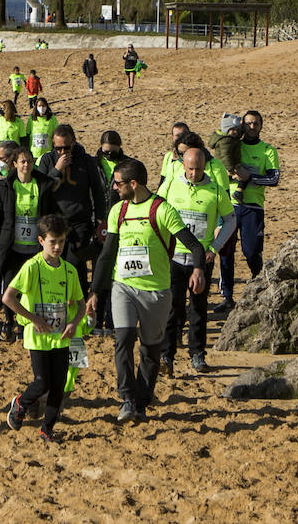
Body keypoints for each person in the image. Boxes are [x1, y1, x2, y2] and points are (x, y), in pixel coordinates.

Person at [89, 158, 206, 422]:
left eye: (118, 183)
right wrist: (95, 291)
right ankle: (128, 398)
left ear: (134, 184)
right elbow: (107, 255)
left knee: (151, 350)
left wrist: (198, 269)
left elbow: (195, 246)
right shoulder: (117, 211)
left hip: (157, 292)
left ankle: (142, 400)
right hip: (124, 287)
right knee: (124, 338)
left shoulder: (162, 210)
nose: (114, 188)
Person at [2, 214, 86, 444]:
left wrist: (73, 323)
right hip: (38, 337)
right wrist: (33, 319)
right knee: (42, 382)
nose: (58, 246)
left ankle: (46, 430)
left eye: (61, 241)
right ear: (41, 241)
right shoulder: (32, 267)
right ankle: (20, 403)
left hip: (60, 337)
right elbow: (8, 298)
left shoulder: (69, 270)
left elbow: (81, 304)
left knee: (58, 386)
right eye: (52, 241)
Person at [157, 148, 236, 375]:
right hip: (173, 258)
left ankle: (197, 354)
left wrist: (214, 247)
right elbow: (156, 212)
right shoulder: (171, 185)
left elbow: (231, 220)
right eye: (190, 169)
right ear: (183, 166)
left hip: (201, 260)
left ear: (205, 167)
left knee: (198, 309)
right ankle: (166, 355)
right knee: (173, 308)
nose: (194, 173)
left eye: (198, 169)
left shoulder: (216, 191)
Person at [0, 146, 60, 341]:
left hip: (35, 248)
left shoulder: (42, 185)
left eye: (30, 161)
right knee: (10, 285)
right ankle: (9, 321)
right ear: (14, 164)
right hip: (12, 246)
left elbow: (52, 214)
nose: (26, 165)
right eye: (22, 162)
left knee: (32, 287)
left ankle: (27, 322)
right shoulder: (6, 186)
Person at [216, 111, 279, 314]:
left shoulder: (268, 150)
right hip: (230, 206)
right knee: (225, 251)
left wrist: (249, 177)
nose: (252, 127)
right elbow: (220, 167)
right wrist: (231, 173)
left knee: (251, 251)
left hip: (253, 207)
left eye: (256, 124)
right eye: (248, 123)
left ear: (261, 126)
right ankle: (227, 296)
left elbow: (273, 179)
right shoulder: (233, 145)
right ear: (243, 125)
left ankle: (258, 286)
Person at [37, 125, 107, 298]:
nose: (62, 151)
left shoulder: (86, 161)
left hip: (79, 223)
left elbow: (97, 191)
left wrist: (99, 219)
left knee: (76, 266)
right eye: (58, 147)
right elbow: (41, 188)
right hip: (54, 222)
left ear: (74, 143)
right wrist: (56, 170)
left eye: (66, 147)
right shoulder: (47, 160)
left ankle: (80, 304)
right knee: (54, 264)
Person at [208, 115, 245, 204]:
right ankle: (238, 193)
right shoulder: (226, 141)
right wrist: (231, 170)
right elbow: (226, 156)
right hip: (226, 166)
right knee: (242, 177)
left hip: (227, 165)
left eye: (237, 129)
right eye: (233, 130)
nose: (235, 132)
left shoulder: (230, 139)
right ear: (226, 129)